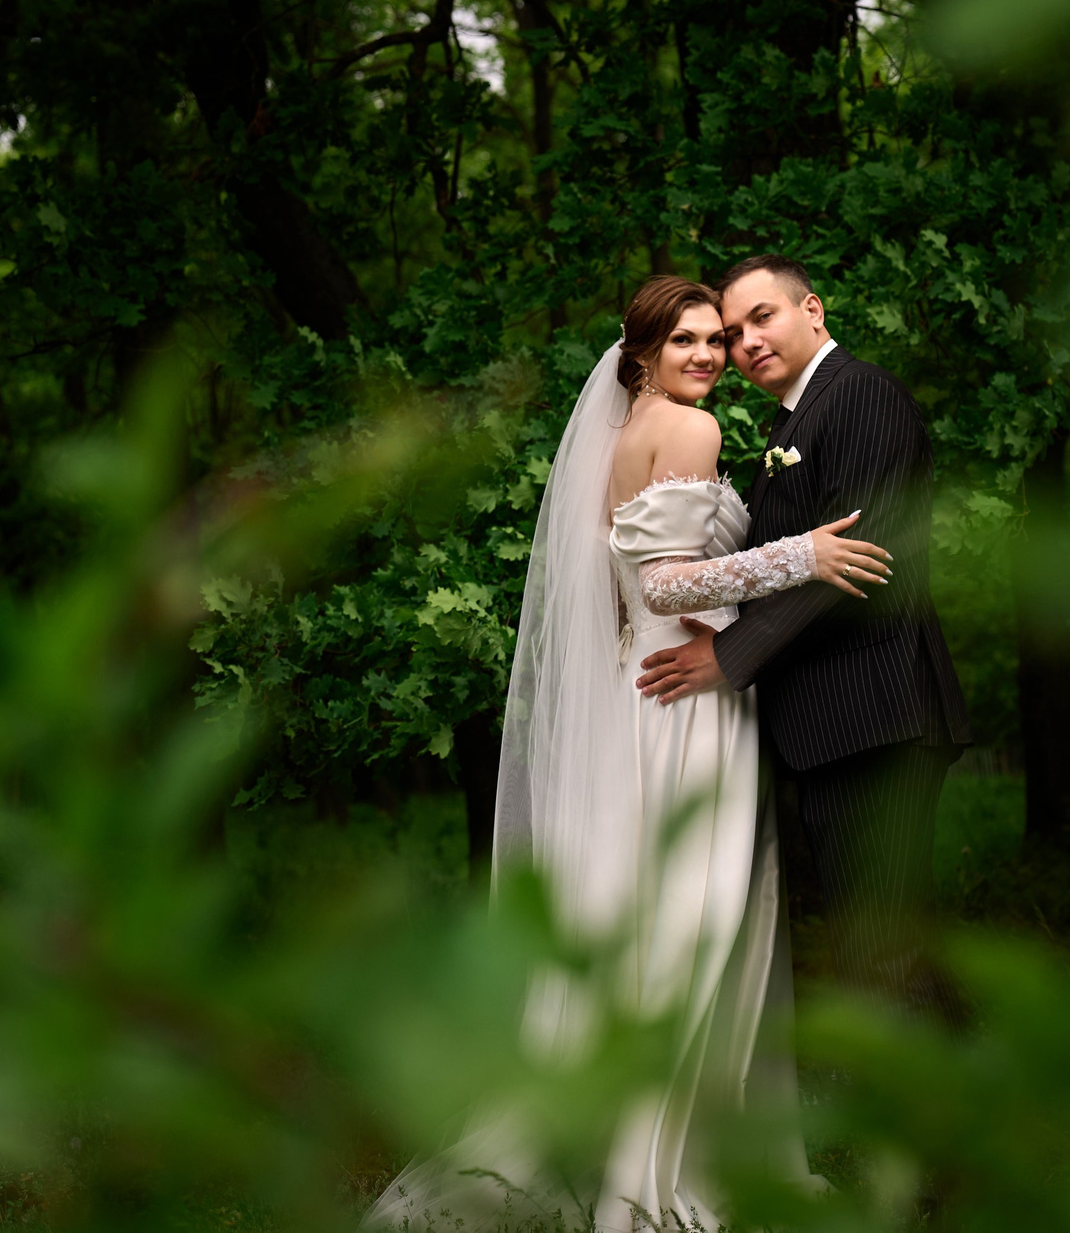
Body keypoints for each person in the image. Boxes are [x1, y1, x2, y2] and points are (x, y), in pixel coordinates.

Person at [370, 276, 887, 1233]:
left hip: (645, 690)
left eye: (715, 338)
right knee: (695, 921)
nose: (707, 354)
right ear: (641, 352)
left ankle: (619, 1134)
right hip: (688, 701)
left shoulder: (627, 434)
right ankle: (662, 1165)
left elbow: (631, 585)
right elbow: (665, 585)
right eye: (685, 339)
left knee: (654, 918)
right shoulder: (691, 429)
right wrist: (800, 557)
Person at [631, 255, 971, 1004]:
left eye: (763, 317)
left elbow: (866, 556)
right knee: (877, 945)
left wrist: (729, 652)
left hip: (876, 711)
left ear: (812, 310)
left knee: (883, 951)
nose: (746, 341)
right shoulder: (792, 420)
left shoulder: (860, 394)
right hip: (834, 722)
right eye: (732, 332)